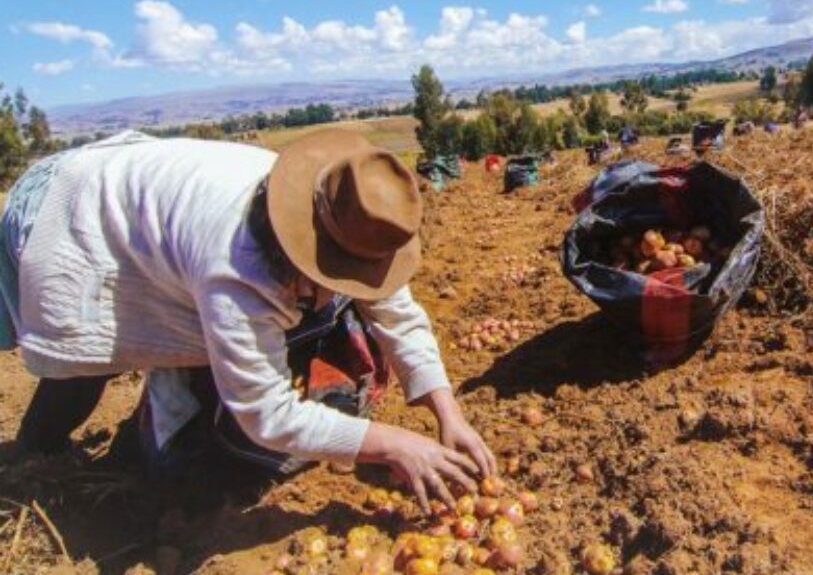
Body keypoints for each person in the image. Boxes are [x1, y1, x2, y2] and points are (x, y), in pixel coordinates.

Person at [2, 129, 495, 512]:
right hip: (72, 211)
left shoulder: (348, 214)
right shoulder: (238, 267)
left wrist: (447, 415)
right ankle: (32, 463)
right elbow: (266, 412)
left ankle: (147, 428)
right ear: (308, 252)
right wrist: (395, 445)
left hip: (142, 198)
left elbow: (398, 313)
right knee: (92, 355)